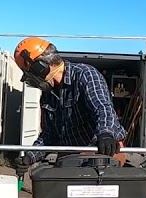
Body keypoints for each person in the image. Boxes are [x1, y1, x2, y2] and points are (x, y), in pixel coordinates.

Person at [13, 36, 127, 168]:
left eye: (30, 75)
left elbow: (103, 108)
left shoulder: (85, 74)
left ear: (40, 68)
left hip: (101, 150)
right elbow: (50, 135)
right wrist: (30, 156)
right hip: (70, 154)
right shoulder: (48, 94)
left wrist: (106, 134)